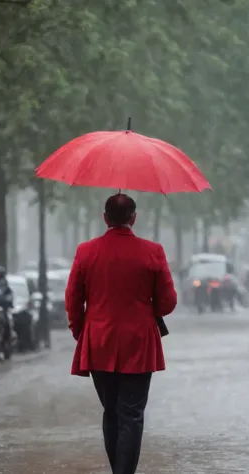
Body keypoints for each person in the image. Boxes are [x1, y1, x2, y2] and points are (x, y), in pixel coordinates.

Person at [65, 193, 177, 474]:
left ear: (105, 218)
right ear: (133, 218)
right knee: (132, 414)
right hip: (139, 344)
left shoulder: (86, 251)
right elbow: (168, 302)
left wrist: (82, 332)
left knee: (111, 412)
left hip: (99, 341)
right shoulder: (153, 252)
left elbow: (73, 299)